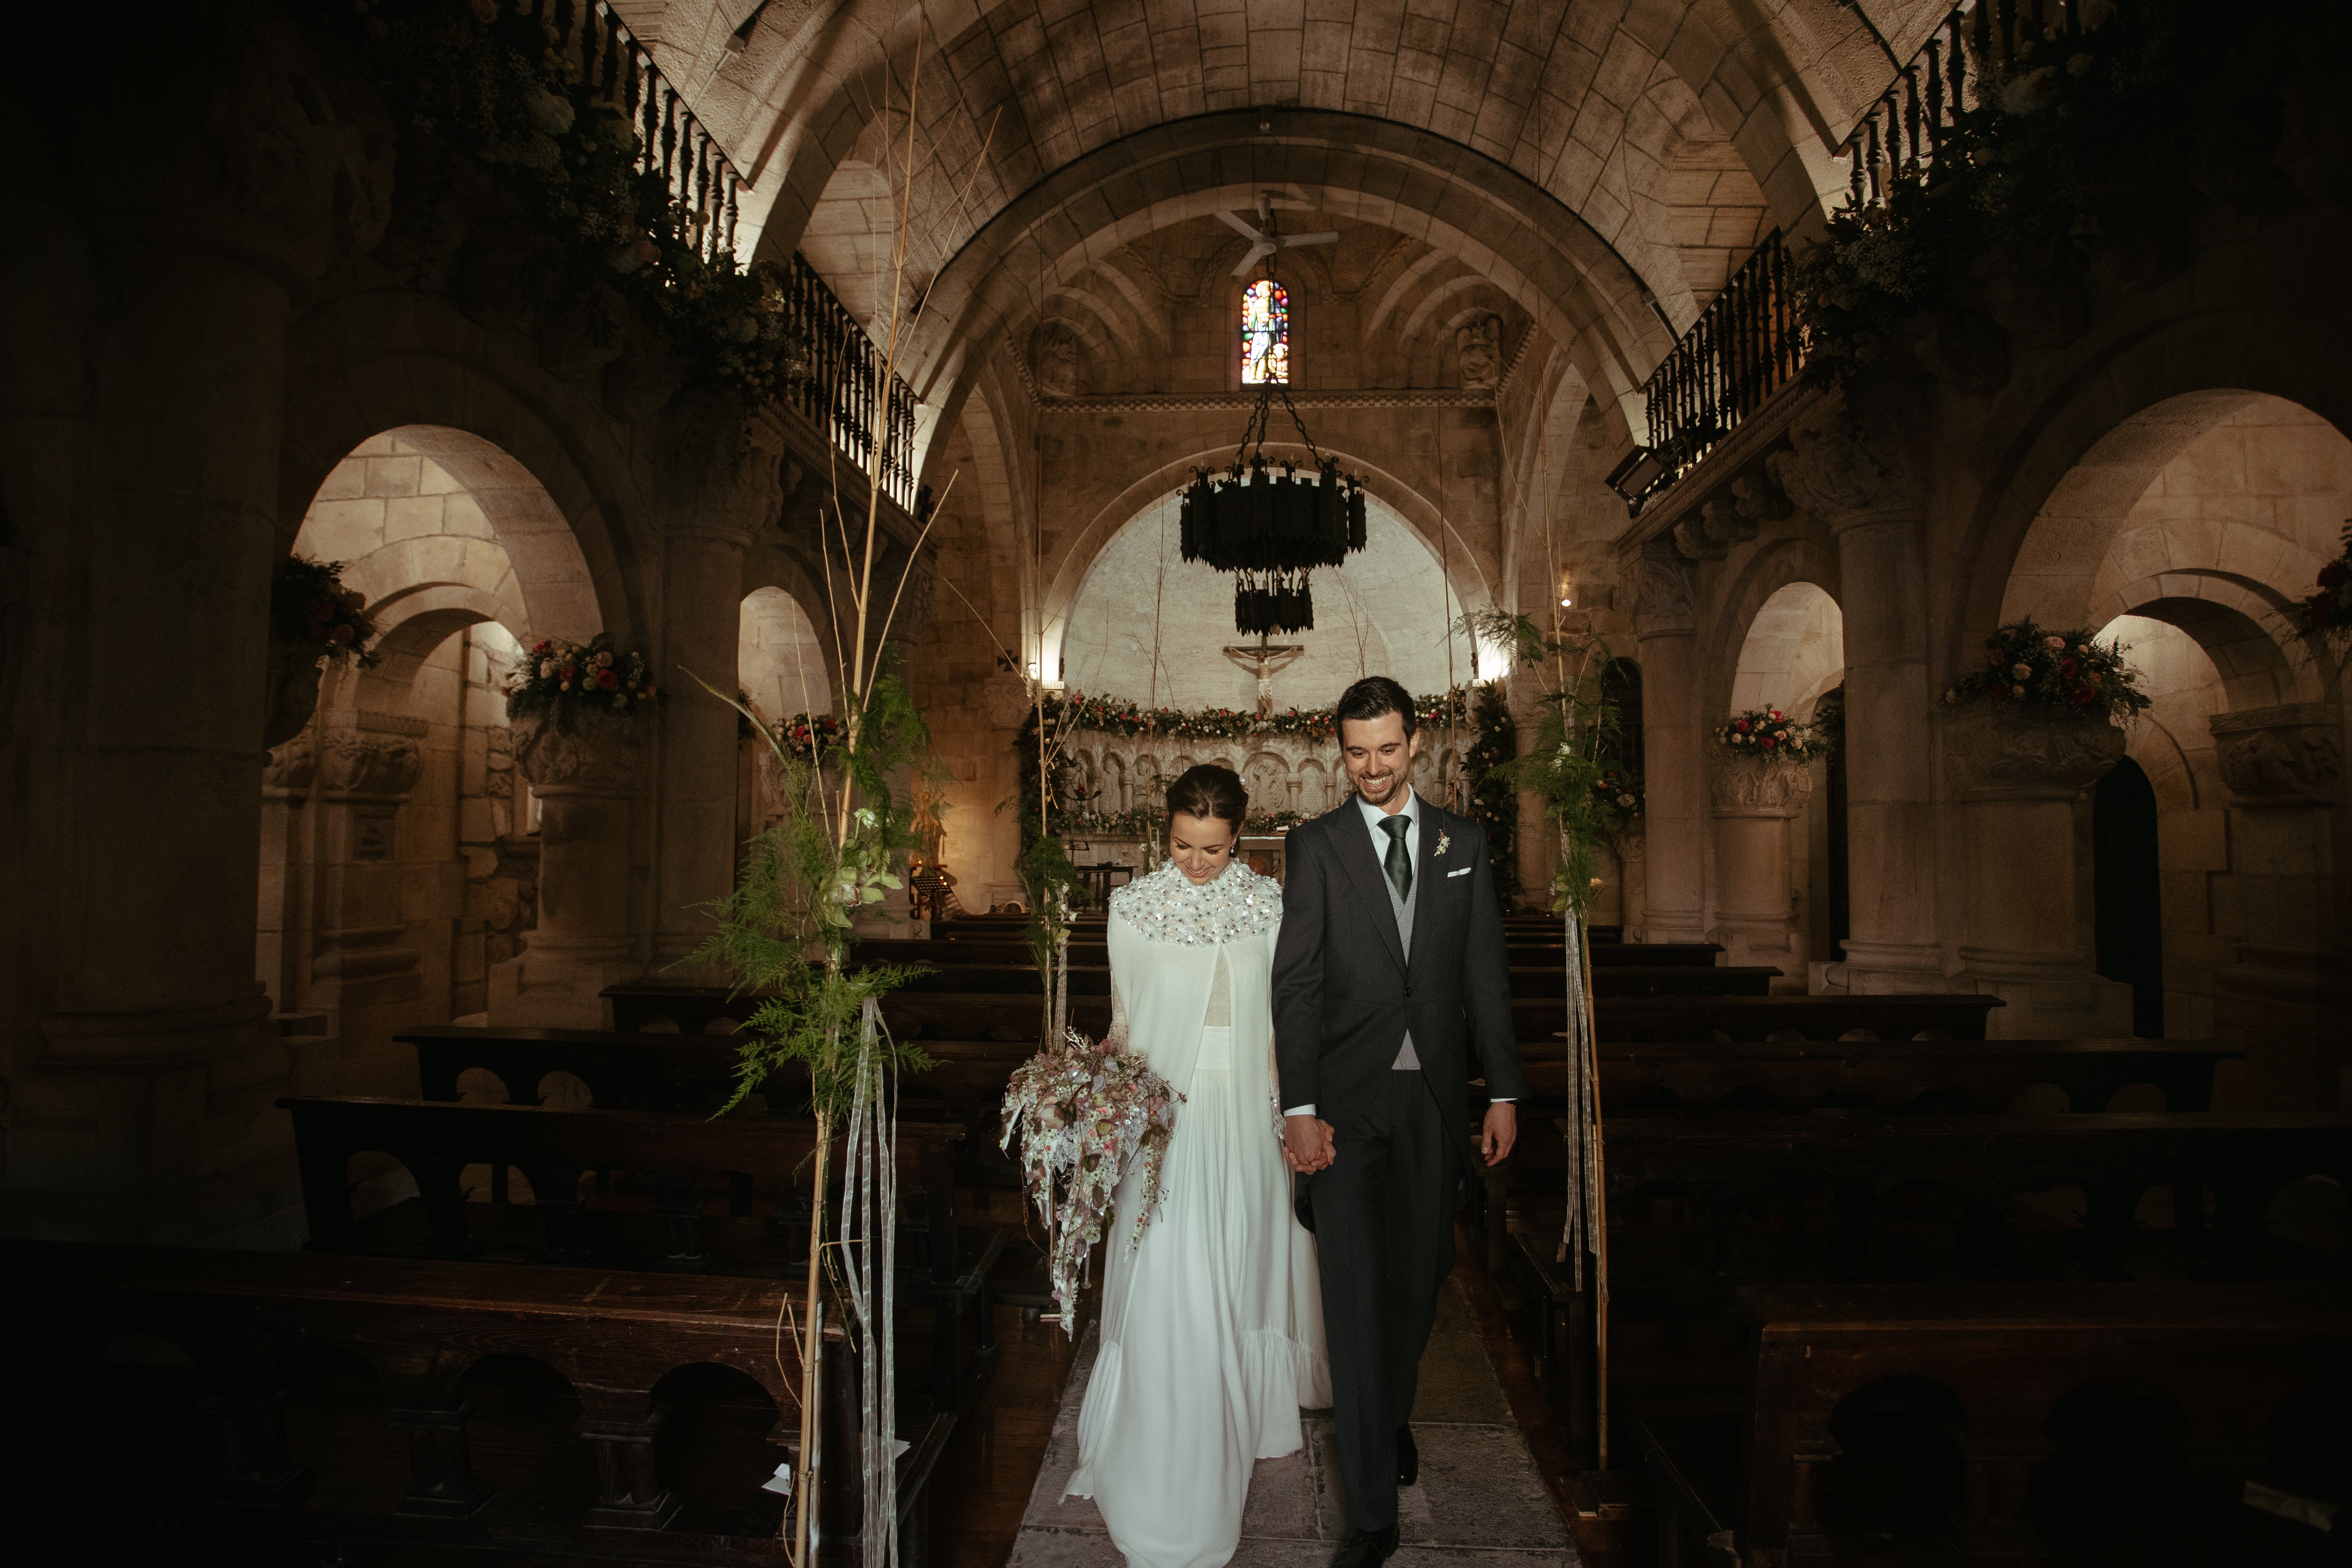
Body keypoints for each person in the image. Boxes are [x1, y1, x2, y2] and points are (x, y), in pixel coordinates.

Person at [1271, 676, 1526, 1568]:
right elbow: (1295, 984)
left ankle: (1386, 1417)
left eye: (1387, 749)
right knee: (1351, 1296)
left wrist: (1503, 1093)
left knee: (1418, 1284)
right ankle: (1371, 1510)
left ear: (1415, 743)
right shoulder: (1316, 847)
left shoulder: (1465, 842)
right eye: (1356, 752)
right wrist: (1299, 1110)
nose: (1372, 768)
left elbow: (1485, 976)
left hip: (1433, 1103)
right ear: (1338, 751)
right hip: (1343, 1109)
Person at [1064, 764, 1331, 1568]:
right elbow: (1124, 1014)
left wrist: (1297, 1113)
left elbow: (1290, 1017)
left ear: (1240, 838)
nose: (1196, 861)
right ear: (1165, 831)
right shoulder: (1131, 905)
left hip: (1247, 1113)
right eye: (1182, 844)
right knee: (1175, 1267)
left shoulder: (1271, 906)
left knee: (1241, 1263)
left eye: (1213, 849)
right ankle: (1170, 1439)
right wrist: (1095, 1085)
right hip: (1166, 1119)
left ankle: (1248, 1412)